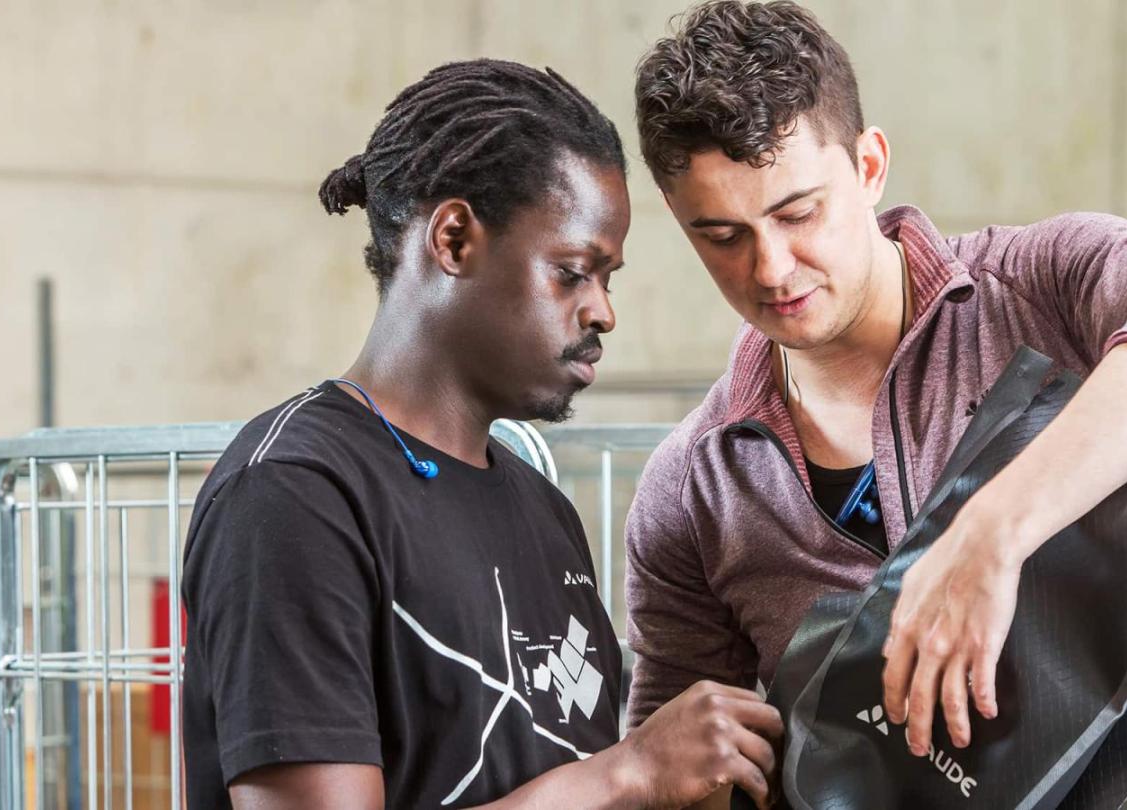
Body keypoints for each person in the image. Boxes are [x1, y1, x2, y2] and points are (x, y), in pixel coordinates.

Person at [624, 1, 1127, 801]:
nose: (770, 268)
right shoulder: (693, 489)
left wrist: (991, 530)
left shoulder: (1036, 293)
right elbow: (678, 762)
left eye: (797, 213)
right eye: (722, 236)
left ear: (870, 166)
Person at [182, 59, 781, 810]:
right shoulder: (294, 495)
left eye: (609, 279)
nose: (603, 311)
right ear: (456, 239)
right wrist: (626, 774)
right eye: (573, 271)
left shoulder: (542, 510)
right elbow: (603, 784)